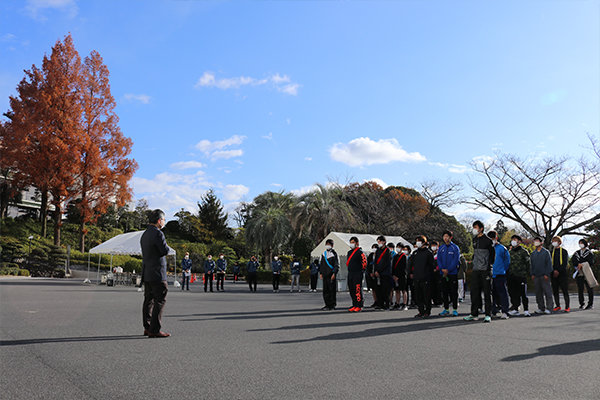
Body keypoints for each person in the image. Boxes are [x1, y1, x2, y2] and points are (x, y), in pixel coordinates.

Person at [140, 209, 170, 338]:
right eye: (163, 219)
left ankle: (147, 327)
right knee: (160, 300)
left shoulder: (145, 234)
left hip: (147, 272)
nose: (164, 222)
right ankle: (155, 329)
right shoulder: (158, 234)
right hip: (157, 273)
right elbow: (164, 250)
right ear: (159, 220)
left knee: (148, 300)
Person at [464, 221, 495, 323]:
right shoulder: (474, 239)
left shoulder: (488, 240)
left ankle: (487, 315)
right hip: (476, 269)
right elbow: (475, 254)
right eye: (473, 227)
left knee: (487, 293)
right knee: (474, 292)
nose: (474, 229)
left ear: (481, 228)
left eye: (476, 227)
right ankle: (474, 313)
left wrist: (488, 266)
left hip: (485, 270)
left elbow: (492, 255)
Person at [408, 235, 435, 318]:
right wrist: (410, 272)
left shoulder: (428, 253)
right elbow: (410, 264)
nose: (417, 243)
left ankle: (427, 311)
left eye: (419, 241)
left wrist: (430, 276)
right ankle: (421, 311)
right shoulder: (415, 253)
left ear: (423, 242)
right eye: (416, 241)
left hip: (426, 277)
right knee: (418, 296)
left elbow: (432, 266)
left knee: (426, 296)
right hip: (416, 277)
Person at [437, 230, 461, 317]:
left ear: (451, 237)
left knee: (453, 292)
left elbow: (456, 260)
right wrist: (442, 269)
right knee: (445, 291)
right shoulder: (441, 248)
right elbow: (438, 259)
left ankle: (455, 309)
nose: (445, 238)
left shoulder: (455, 248)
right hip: (443, 273)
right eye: (444, 236)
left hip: (452, 273)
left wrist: (448, 269)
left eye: (447, 236)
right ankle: (446, 309)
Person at [488, 231, 510, 319]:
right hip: (490, 274)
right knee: (493, 294)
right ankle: (494, 310)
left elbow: (507, 261)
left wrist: (503, 270)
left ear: (496, 238)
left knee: (503, 293)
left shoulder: (502, 248)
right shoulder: (488, 248)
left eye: (493, 238)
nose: (492, 240)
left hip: (500, 274)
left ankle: (505, 311)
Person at [507, 235, 531, 317]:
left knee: (523, 294)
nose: (513, 241)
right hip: (511, 275)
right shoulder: (510, 252)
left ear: (519, 241)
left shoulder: (524, 251)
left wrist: (527, 274)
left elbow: (528, 264)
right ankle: (515, 309)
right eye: (512, 239)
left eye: (515, 239)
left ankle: (526, 310)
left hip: (521, 276)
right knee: (513, 293)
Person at [530, 237, 554, 314]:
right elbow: (532, 265)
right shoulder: (533, 253)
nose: (535, 242)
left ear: (541, 243)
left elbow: (549, 264)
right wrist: (532, 274)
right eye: (535, 241)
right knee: (538, 293)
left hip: (544, 275)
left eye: (537, 241)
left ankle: (549, 308)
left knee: (547, 292)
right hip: (536, 275)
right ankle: (541, 307)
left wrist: (547, 274)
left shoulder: (546, 252)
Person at [572, 239, 594, 310]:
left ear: (585, 244)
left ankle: (590, 304)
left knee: (589, 289)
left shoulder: (589, 253)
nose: (580, 244)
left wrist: (582, 264)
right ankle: (582, 303)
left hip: (587, 272)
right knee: (580, 289)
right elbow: (573, 261)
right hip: (579, 273)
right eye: (579, 243)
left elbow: (591, 262)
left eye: (581, 243)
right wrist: (577, 266)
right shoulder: (576, 253)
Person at [347, 236, 367, 312]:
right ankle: (354, 304)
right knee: (351, 289)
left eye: (353, 242)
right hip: (350, 273)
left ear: (357, 243)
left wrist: (361, 271)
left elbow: (364, 262)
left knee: (357, 289)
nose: (351, 244)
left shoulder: (360, 252)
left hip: (358, 273)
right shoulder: (349, 252)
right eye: (350, 242)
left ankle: (359, 305)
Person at [550, 236, 570, 312]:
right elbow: (549, 263)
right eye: (553, 241)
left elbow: (565, 263)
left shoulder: (564, 251)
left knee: (565, 290)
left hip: (562, 274)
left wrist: (558, 271)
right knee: (555, 290)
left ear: (559, 242)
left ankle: (567, 306)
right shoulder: (551, 252)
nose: (554, 242)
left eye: (555, 241)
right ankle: (557, 305)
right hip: (553, 274)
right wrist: (553, 271)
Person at [319, 239, 339, 310]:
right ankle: (327, 304)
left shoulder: (334, 254)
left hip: (331, 275)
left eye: (329, 244)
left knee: (332, 290)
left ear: (332, 245)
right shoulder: (323, 254)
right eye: (327, 244)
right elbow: (321, 264)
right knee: (325, 290)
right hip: (325, 275)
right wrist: (321, 273)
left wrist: (334, 273)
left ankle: (332, 304)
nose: (328, 246)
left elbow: (336, 265)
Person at [373, 236, 393, 310]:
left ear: (384, 241)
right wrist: (375, 270)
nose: (379, 243)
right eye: (378, 242)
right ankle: (380, 304)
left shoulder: (387, 251)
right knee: (379, 289)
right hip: (378, 273)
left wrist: (380, 271)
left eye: (380, 241)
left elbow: (386, 263)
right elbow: (375, 262)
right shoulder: (378, 251)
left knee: (386, 290)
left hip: (385, 273)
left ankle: (386, 304)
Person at [391, 243, 409, 310]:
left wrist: (398, 276)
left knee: (403, 290)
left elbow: (404, 267)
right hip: (395, 275)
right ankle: (397, 303)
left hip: (402, 276)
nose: (398, 248)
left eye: (399, 247)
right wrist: (393, 275)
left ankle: (404, 304)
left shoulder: (404, 256)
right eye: (397, 247)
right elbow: (393, 266)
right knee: (397, 290)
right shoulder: (395, 256)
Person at [429, 240, 443, 307]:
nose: (433, 247)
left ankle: (439, 301)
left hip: (438, 273)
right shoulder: (430, 254)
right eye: (432, 246)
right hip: (431, 273)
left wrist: (436, 269)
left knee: (439, 288)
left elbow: (441, 263)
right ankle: (434, 301)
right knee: (432, 287)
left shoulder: (440, 254)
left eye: (435, 246)